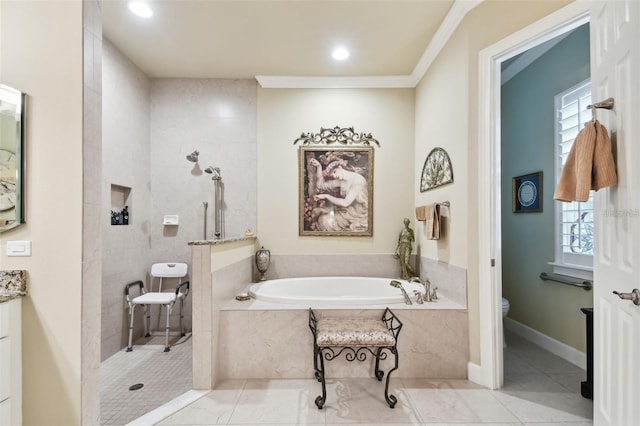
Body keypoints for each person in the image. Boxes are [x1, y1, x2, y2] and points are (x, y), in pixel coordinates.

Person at [309, 158, 369, 232]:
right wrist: (319, 166)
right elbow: (321, 186)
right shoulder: (341, 180)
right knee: (317, 212)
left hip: (358, 214)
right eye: (332, 174)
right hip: (347, 211)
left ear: (340, 167)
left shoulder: (357, 181)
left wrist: (326, 196)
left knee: (323, 220)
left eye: (334, 172)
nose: (334, 176)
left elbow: (345, 203)